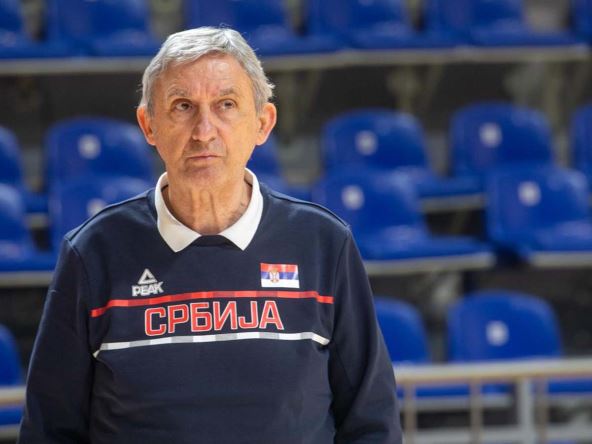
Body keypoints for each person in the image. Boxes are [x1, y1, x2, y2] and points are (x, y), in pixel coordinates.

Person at [19, 27, 402, 443]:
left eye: (226, 105)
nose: (204, 130)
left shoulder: (324, 243)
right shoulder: (92, 253)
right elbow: (49, 431)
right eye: (183, 106)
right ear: (149, 125)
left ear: (262, 123)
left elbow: (372, 423)